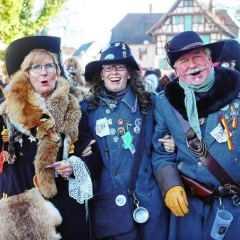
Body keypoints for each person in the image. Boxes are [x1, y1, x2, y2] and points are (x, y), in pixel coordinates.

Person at [0, 36, 102, 240]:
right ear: (26, 74)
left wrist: (76, 166)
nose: (44, 72)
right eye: (36, 67)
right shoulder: (6, 113)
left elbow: (93, 155)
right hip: (21, 211)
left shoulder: (73, 109)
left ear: (58, 70)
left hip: (66, 210)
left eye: (49, 65)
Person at [152, 30, 240, 239]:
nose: (192, 65)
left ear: (209, 59)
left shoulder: (236, 89)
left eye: (197, 56)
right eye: (183, 61)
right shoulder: (165, 102)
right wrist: (170, 185)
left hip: (234, 206)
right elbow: (160, 152)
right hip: (190, 209)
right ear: (175, 68)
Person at [81, 41, 170, 239]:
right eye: (108, 68)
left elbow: (168, 140)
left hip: (149, 197)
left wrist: (171, 144)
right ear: (101, 74)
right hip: (110, 200)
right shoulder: (87, 109)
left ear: (129, 72)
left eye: (120, 67)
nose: (114, 72)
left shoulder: (152, 102)